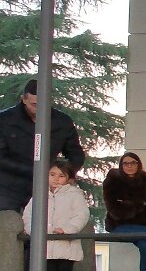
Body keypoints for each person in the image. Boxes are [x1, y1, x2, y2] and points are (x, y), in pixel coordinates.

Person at [0, 78, 86, 220]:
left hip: (45, 188)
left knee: (45, 225)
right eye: (34, 105)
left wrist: (65, 174)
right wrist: (35, 170)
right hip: (7, 188)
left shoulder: (62, 122)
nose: (39, 109)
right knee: (7, 226)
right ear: (24, 99)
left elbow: (76, 154)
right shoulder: (4, 120)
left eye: (43, 104)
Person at [26, 162, 89, 271]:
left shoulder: (75, 195)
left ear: (68, 178)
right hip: (45, 244)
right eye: (52, 174)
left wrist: (67, 229)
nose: (56, 179)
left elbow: (81, 216)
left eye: (61, 176)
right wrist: (35, 231)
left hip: (66, 243)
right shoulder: (39, 195)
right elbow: (28, 216)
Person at [103, 151, 146, 271]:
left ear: (138, 164)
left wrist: (131, 207)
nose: (129, 166)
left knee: (145, 247)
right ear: (121, 165)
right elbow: (114, 209)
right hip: (119, 226)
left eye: (133, 163)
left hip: (141, 226)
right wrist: (139, 207)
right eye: (125, 163)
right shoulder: (112, 182)